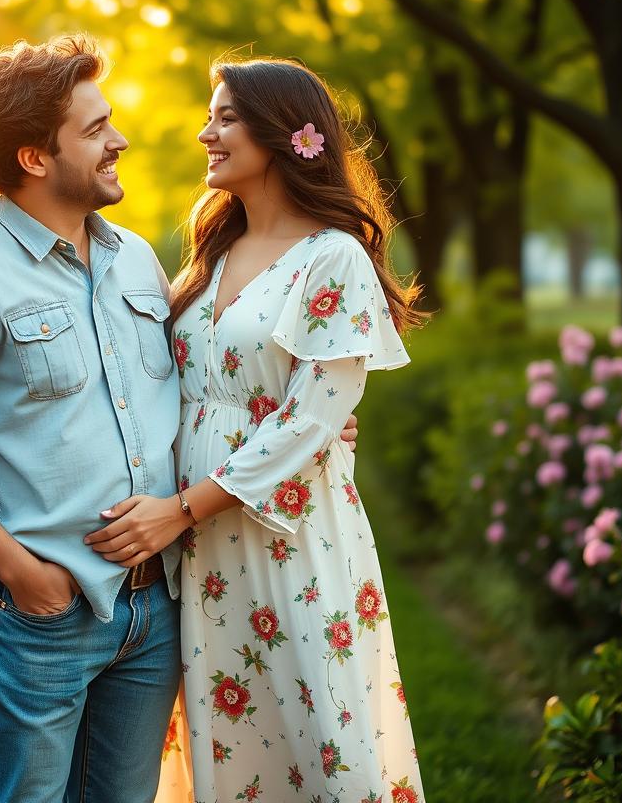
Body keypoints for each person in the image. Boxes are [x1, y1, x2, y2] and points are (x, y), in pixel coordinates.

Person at [0, 35, 358, 803]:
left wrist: (312, 420)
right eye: (96, 129)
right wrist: (22, 575)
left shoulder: (137, 260)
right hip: (46, 612)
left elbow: (202, 383)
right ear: (36, 158)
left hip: (158, 606)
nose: (120, 140)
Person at [85, 57, 426, 803]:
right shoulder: (213, 254)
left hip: (288, 534)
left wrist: (179, 511)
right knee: (229, 741)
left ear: (284, 134)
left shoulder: (332, 256)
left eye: (226, 118)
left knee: (314, 734)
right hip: (202, 548)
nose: (206, 133)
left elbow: (310, 418)